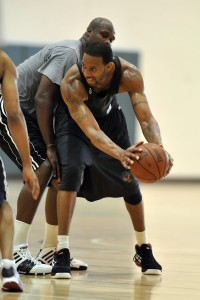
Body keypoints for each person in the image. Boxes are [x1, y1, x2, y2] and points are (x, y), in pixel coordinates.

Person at [0, 17, 116, 275]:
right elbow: (43, 98)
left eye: (112, 39)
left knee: (58, 171)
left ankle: (51, 250)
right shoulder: (69, 52)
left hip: (29, 115)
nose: (108, 41)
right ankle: (17, 251)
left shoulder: (86, 66)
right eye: (104, 35)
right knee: (43, 165)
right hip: (10, 108)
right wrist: (50, 146)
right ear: (88, 33)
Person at [51, 41, 174, 279]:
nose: (87, 72)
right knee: (71, 172)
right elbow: (92, 132)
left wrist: (160, 151)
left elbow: (147, 119)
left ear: (109, 67)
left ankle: (143, 248)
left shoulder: (129, 75)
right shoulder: (73, 83)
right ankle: (62, 250)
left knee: (132, 185)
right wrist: (120, 153)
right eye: (84, 65)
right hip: (77, 126)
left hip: (110, 120)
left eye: (93, 68)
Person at [0, 49, 40, 291]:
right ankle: (7, 267)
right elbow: (14, 114)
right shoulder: (3, 61)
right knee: (1, 205)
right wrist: (27, 164)